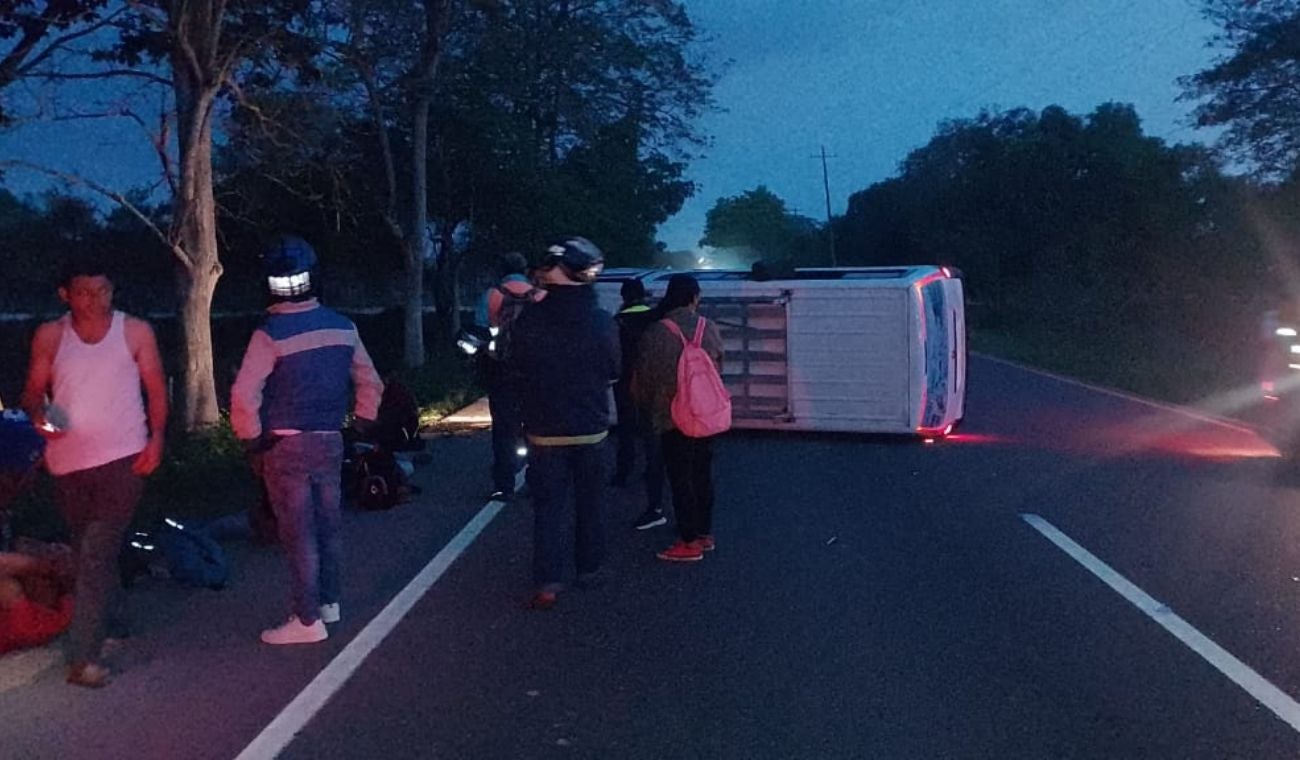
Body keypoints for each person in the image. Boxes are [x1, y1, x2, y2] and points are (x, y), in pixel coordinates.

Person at [20, 255, 168, 688]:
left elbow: (155, 388)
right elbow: (32, 392)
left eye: (103, 290)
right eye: (84, 292)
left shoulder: (135, 331)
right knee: (88, 547)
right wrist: (40, 417)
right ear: (65, 294)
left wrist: (157, 437)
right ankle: (113, 619)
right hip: (68, 464)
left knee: (95, 553)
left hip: (124, 458)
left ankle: (83, 657)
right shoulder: (51, 335)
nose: (95, 300)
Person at [231, 235, 384, 645]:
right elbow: (370, 381)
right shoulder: (343, 327)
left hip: (285, 446)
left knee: (298, 535)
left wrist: (251, 440)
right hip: (330, 440)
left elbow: (244, 395)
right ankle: (329, 602)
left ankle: (306, 618)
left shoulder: (269, 334)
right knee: (328, 527)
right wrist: (362, 421)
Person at [507, 237, 619, 610]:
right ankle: (589, 568)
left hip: (544, 431)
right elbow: (614, 368)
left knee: (548, 508)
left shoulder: (529, 319)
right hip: (591, 429)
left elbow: (516, 367)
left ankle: (547, 582)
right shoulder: (600, 321)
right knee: (591, 504)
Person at [633, 274, 724, 563]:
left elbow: (645, 377)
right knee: (702, 474)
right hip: (704, 413)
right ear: (694, 298)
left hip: (672, 414)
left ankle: (688, 542)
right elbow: (718, 365)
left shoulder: (657, 332)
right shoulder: (708, 327)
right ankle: (704, 534)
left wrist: (648, 407)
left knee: (680, 477)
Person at [476, 252, 545, 501]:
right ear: (525, 270)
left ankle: (503, 486)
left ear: (502, 270)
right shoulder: (540, 296)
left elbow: (480, 333)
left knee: (503, 429)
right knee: (536, 427)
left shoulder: (491, 295)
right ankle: (536, 481)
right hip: (534, 372)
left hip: (500, 370)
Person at [611, 279, 667, 530]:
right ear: (643, 295)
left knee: (626, 428)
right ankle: (652, 470)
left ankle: (623, 472)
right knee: (651, 430)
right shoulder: (656, 319)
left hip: (625, 381)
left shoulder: (618, 321)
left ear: (624, 297)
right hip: (652, 381)